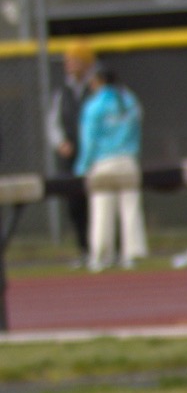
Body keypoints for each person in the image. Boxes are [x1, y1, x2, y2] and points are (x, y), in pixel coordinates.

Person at [75, 65, 147, 272]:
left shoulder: (94, 106)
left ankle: (100, 256)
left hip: (102, 163)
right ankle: (132, 254)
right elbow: (137, 127)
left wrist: (83, 166)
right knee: (131, 207)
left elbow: (88, 139)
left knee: (101, 209)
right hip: (127, 160)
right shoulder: (129, 101)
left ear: (97, 81)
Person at [46, 44, 97, 261]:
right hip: (72, 158)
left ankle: (103, 249)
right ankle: (84, 249)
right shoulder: (63, 92)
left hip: (95, 157)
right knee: (75, 205)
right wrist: (61, 143)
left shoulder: (96, 89)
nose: (69, 65)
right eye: (67, 61)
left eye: (74, 60)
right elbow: (52, 123)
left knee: (98, 203)